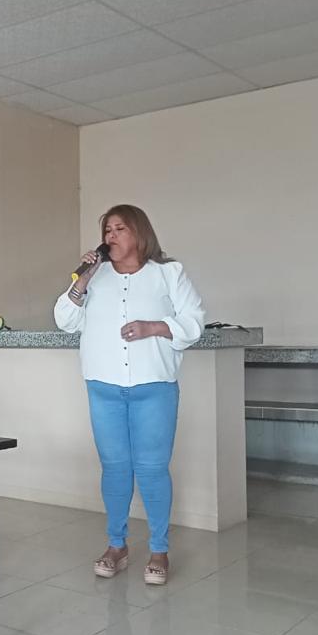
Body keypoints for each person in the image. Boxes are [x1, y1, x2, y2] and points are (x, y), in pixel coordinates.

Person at [54, 204, 204, 585]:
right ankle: (116, 546)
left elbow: (194, 322)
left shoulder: (168, 273)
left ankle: (159, 550)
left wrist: (154, 327)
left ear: (139, 232)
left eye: (120, 228)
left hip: (154, 387)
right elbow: (64, 320)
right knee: (115, 468)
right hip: (103, 387)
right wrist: (82, 280)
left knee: (152, 469)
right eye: (107, 230)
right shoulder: (95, 276)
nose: (111, 236)